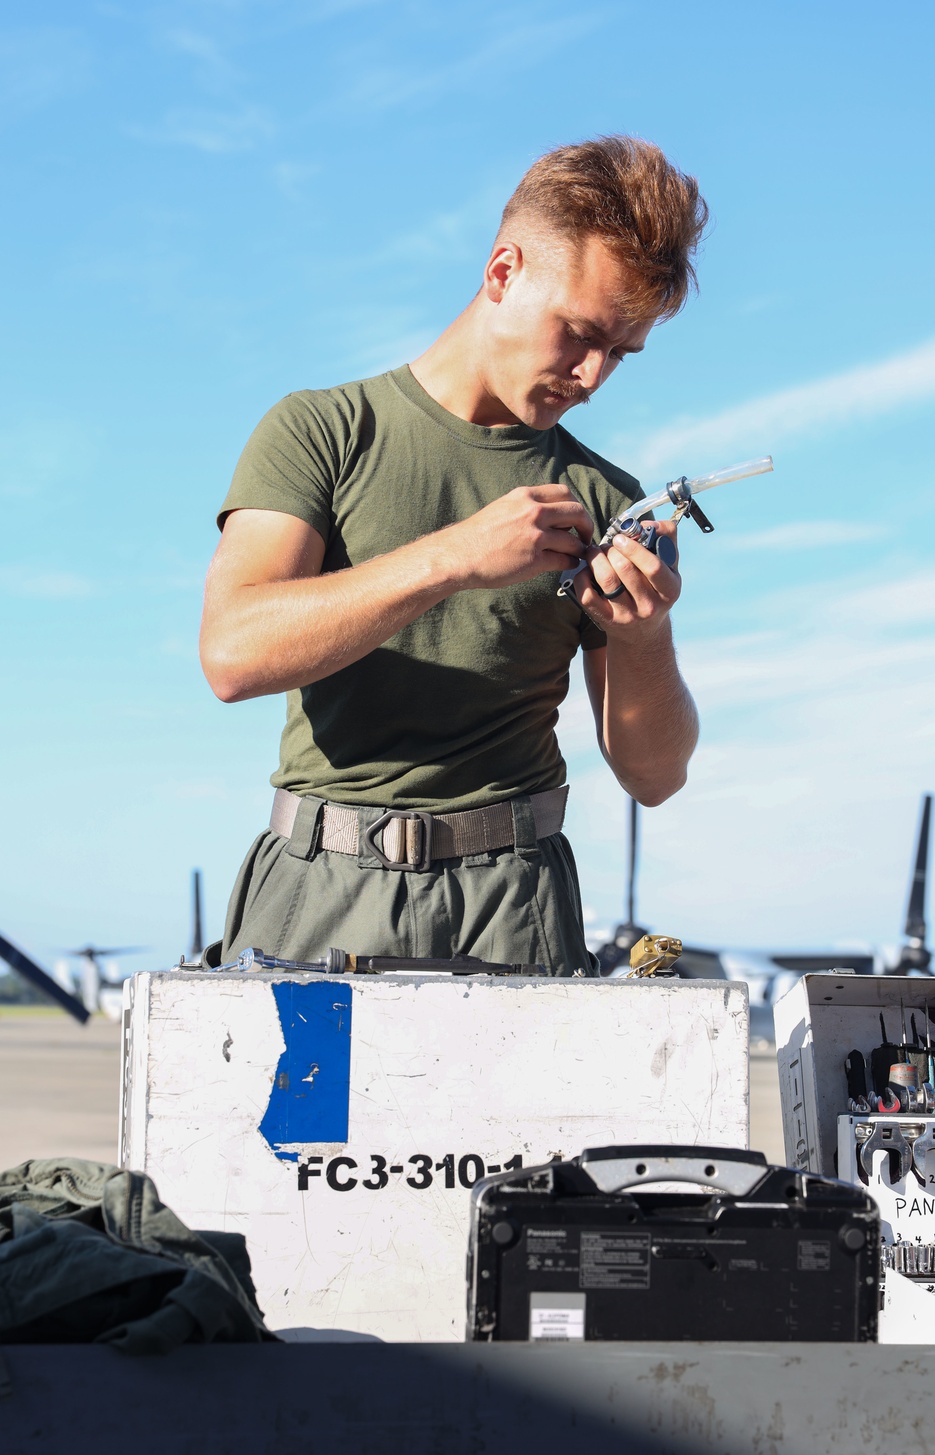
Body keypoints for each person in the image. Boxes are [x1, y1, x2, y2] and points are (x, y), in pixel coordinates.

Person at [200, 135, 706, 976]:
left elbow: (655, 778)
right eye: (578, 334)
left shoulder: (609, 500)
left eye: (620, 352)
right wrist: (454, 558)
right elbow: (232, 654)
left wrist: (646, 636)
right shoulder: (321, 430)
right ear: (502, 272)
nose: (592, 376)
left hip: (514, 907)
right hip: (317, 884)